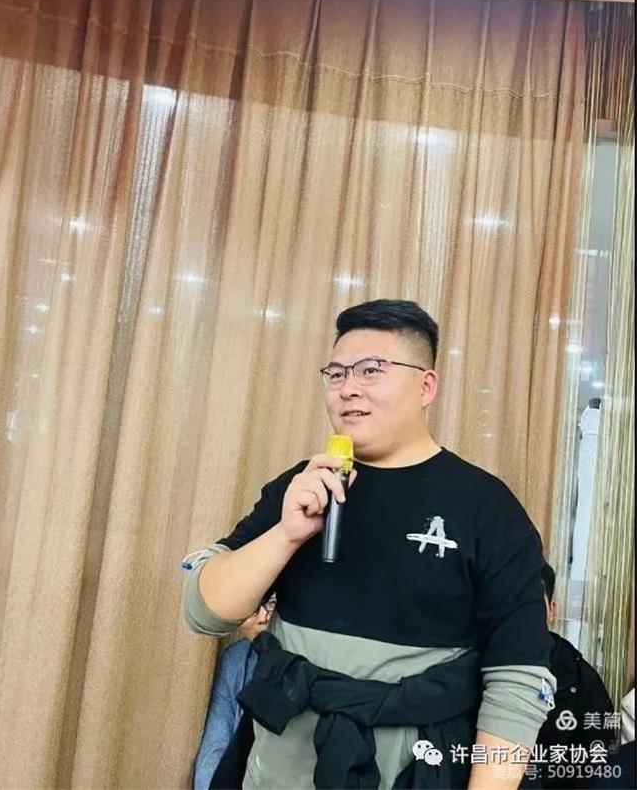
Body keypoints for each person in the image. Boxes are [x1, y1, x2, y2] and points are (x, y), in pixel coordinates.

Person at [183, 299, 555, 790]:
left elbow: (517, 677)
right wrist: (286, 534)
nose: (348, 388)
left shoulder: (487, 507)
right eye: (335, 374)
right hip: (278, 770)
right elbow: (206, 613)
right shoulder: (304, 485)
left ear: (426, 386)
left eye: (371, 370)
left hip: (413, 771)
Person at [530, 563, 613, 788]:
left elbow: (599, 766)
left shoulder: (582, 680)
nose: (524, 618)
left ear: (552, 610)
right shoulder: (475, 670)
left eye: (534, 605)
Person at [193, 599, 276, 790]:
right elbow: (214, 749)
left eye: (271, 605)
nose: (262, 618)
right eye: (253, 610)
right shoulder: (236, 660)